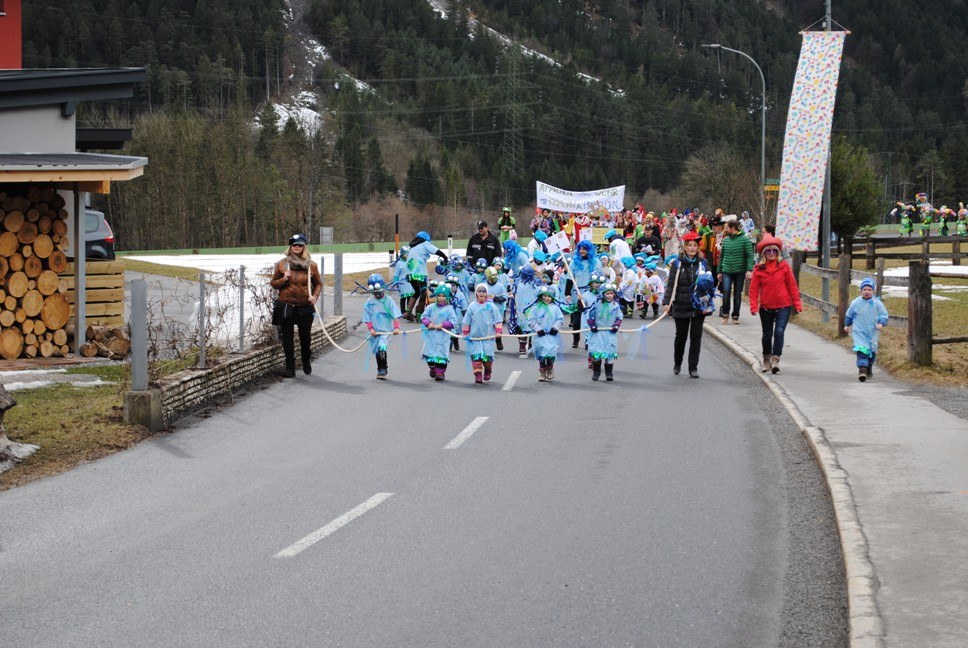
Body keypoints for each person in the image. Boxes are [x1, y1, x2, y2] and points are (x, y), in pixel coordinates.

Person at [662, 231, 715, 378]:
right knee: (681, 336)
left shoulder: (703, 263)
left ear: (698, 247)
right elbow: (671, 284)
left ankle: (693, 367)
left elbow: (710, 283)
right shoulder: (677, 263)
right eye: (690, 245)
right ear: (684, 247)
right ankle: (677, 362)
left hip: (699, 305)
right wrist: (667, 302)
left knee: (696, 337)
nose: (692, 248)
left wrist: (707, 283)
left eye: (695, 245)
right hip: (681, 302)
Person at [748, 234, 802, 374]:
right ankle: (766, 359)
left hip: (783, 306)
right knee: (767, 335)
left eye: (774, 250)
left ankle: (775, 359)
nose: (771, 253)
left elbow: (792, 286)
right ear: (764, 253)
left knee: (779, 332)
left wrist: (797, 303)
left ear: (778, 252)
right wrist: (753, 306)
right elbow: (753, 290)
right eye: (768, 251)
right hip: (766, 307)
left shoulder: (784, 267)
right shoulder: (758, 269)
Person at [270, 233, 322, 377]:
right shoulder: (282, 264)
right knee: (287, 339)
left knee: (305, 338)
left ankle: (306, 361)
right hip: (286, 306)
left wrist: (314, 296)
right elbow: (273, 283)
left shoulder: (312, 265)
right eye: (294, 245)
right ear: (290, 246)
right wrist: (283, 279)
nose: (297, 247)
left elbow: (318, 283)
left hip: (305, 306)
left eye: (300, 245)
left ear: (304, 247)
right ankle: (290, 368)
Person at [844, 278, 889, 382]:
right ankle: (862, 370)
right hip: (859, 331)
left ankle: (869, 367)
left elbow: (883, 314)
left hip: (873, 332)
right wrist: (847, 324)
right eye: (864, 289)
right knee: (862, 350)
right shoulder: (856, 302)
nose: (867, 291)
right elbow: (849, 314)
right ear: (861, 290)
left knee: (871, 352)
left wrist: (881, 323)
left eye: (869, 289)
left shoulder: (877, 303)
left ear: (873, 291)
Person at [361, 273, 402, 379]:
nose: (378, 295)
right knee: (377, 350)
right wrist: (370, 328)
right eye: (375, 293)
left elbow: (395, 316)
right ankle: (380, 367)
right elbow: (367, 317)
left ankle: (383, 369)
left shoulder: (389, 301)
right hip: (375, 332)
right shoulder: (369, 302)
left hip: (385, 332)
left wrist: (396, 327)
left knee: (382, 348)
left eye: (379, 293)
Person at [462, 283, 503, 384]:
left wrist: (498, 332)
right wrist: (466, 333)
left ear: (486, 293)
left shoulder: (491, 306)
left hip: (487, 338)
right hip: (475, 338)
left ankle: (488, 369)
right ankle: (478, 375)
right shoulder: (472, 306)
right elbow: (466, 321)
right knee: (476, 358)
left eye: (484, 291)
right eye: (479, 291)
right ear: (476, 293)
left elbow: (497, 320)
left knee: (487, 359)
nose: (481, 293)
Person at [564, 240, 601, 348]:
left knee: (590, 318)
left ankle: (588, 340)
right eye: (580, 249)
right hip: (578, 293)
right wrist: (567, 293)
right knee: (576, 320)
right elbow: (570, 278)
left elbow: (600, 278)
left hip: (591, 293)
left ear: (589, 250)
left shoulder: (596, 262)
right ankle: (576, 339)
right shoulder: (574, 262)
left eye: (584, 249)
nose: (581, 251)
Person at [404, 231, 448, 320]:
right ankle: (420, 315)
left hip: (409, 273)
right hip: (419, 273)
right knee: (423, 293)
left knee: (417, 292)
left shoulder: (413, 246)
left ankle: (408, 312)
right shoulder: (424, 243)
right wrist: (445, 257)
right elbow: (436, 251)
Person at [718, 219, 755, 324]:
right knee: (726, 292)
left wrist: (749, 269)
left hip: (739, 271)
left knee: (737, 295)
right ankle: (725, 314)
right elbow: (721, 257)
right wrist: (719, 271)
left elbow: (749, 256)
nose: (725, 229)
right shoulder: (726, 240)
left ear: (733, 228)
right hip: (726, 270)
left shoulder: (745, 240)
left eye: (727, 227)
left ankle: (735, 316)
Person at [421, 285, 459, 381]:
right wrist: (428, 323)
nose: (441, 298)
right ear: (436, 296)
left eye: (444, 296)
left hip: (443, 337)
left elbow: (453, 321)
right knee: (429, 355)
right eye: (439, 296)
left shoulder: (449, 309)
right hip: (431, 336)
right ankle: (432, 367)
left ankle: (440, 372)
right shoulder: (430, 307)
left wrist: (443, 325)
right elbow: (424, 317)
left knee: (441, 355)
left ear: (447, 297)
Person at [587, 283, 623, 381]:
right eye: (607, 293)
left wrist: (616, 325)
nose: (610, 295)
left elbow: (619, 317)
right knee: (597, 353)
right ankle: (596, 372)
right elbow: (590, 316)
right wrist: (592, 325)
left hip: (610, 332)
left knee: (609, 353)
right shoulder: (596, 304)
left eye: (611, 293)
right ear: (602, 294)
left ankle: (609, 373)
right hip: (598, 332)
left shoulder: (615, 305)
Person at [528, 285, 564, 382]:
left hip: (551, 336)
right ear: (540, 296)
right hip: (539, 336)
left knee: (550, 353)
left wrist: (555, 328)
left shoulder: (555, 308)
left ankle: (550, 368)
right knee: (541, 355)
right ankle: (542, 370)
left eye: (549, 296)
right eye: (544, 296)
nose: (547, 298)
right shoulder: (535, 308)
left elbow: (560, 319)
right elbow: (531, 320)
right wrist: (538, 329)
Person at [391, 246, 415, 314]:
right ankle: (403, 312)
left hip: (410, 282)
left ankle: (408, 311)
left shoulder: (411, 262)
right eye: (406, 254)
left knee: (410, 297)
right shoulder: (399, 263)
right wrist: (396, 282)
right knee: (403, 298)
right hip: (402, 283)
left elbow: (414, 270)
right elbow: (396, 274)